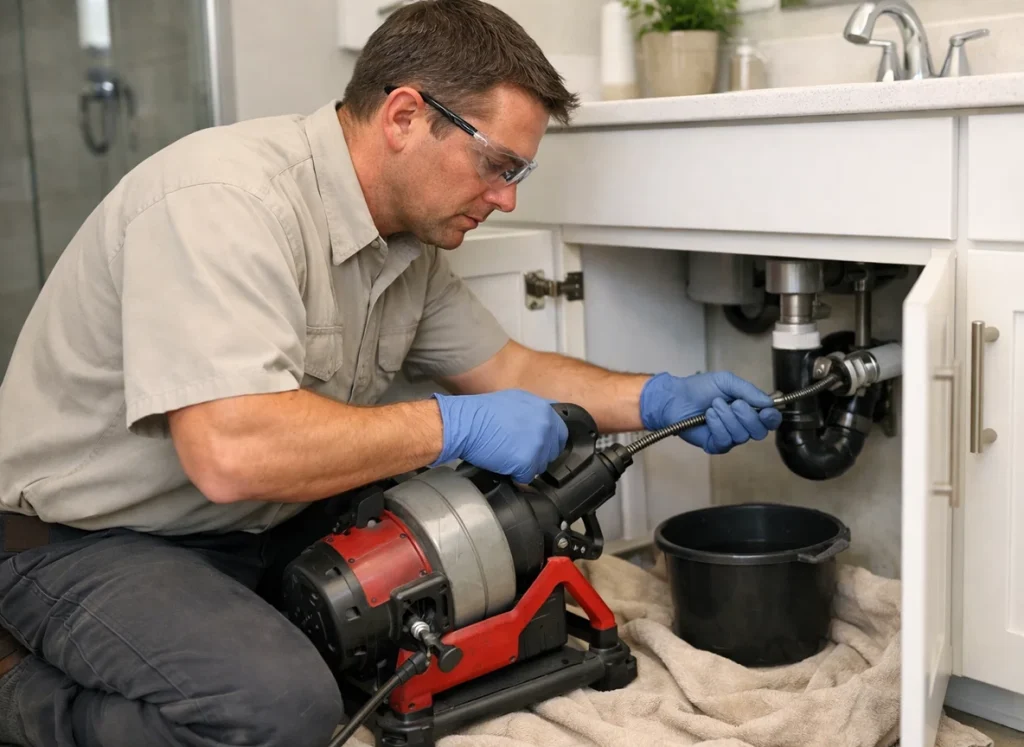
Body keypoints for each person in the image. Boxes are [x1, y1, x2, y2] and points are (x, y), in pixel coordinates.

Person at [0, 1, 782, 745]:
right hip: (86, 539)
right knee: (278, 710)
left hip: (257, 523)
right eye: (497, 163)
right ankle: (19, 691)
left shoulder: (404, 242)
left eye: (520, 174)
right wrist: (451, 424)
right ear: (406, 115)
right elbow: (229, 451)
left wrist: (657, 396)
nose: (505, 198)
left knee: (477, 556)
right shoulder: (226, 201)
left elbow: (507, 366)